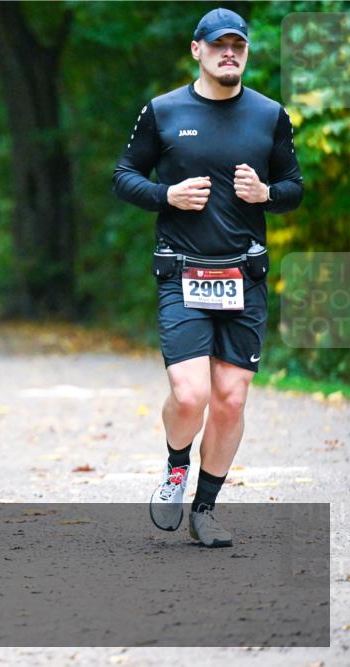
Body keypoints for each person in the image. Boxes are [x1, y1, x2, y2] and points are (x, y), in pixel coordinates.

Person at [112, 7, 302, 547]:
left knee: (231, 398)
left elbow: (293, 188)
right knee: (191, 394)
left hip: (245, 273)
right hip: (182, 270)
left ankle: (206, 507)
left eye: (238, 46)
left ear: (246, 52)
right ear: (196, 50)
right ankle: (177, 469)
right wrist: (163, 196)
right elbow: (123, 176)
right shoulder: (164, 111)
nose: (229, 53)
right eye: (218, 45)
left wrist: (267, 195)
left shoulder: (269, 116)